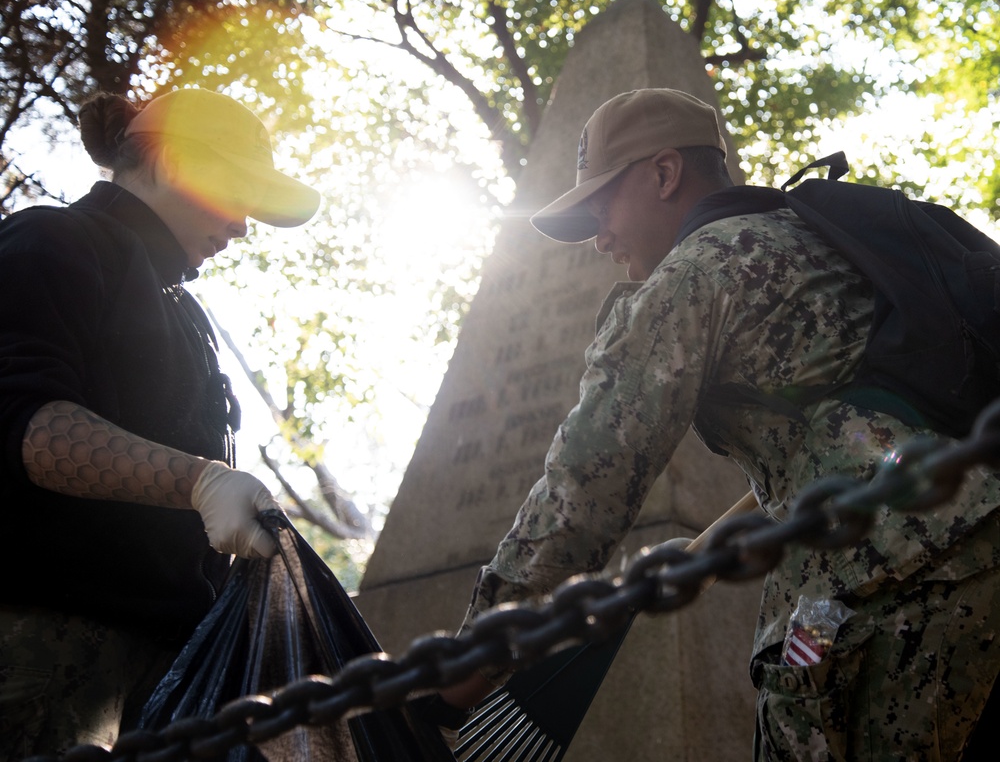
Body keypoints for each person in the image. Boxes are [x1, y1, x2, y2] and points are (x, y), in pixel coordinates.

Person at [438, 88, 1000, 759]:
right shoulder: (807, 238)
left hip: (888, 586)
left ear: (665, 173)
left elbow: (584, 488)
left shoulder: (696, 273)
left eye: (601, 203)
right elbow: (844, 438)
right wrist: (714, 542)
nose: (600, 236)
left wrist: (469, 663)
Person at [0, 87, 320, 760]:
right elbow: (22, 424)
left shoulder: (184, 312)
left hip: (169, 678)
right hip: (39, 647)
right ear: (175, 161)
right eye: (238, 193)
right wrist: (199, 482)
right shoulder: (49, 240)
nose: (242, 226)